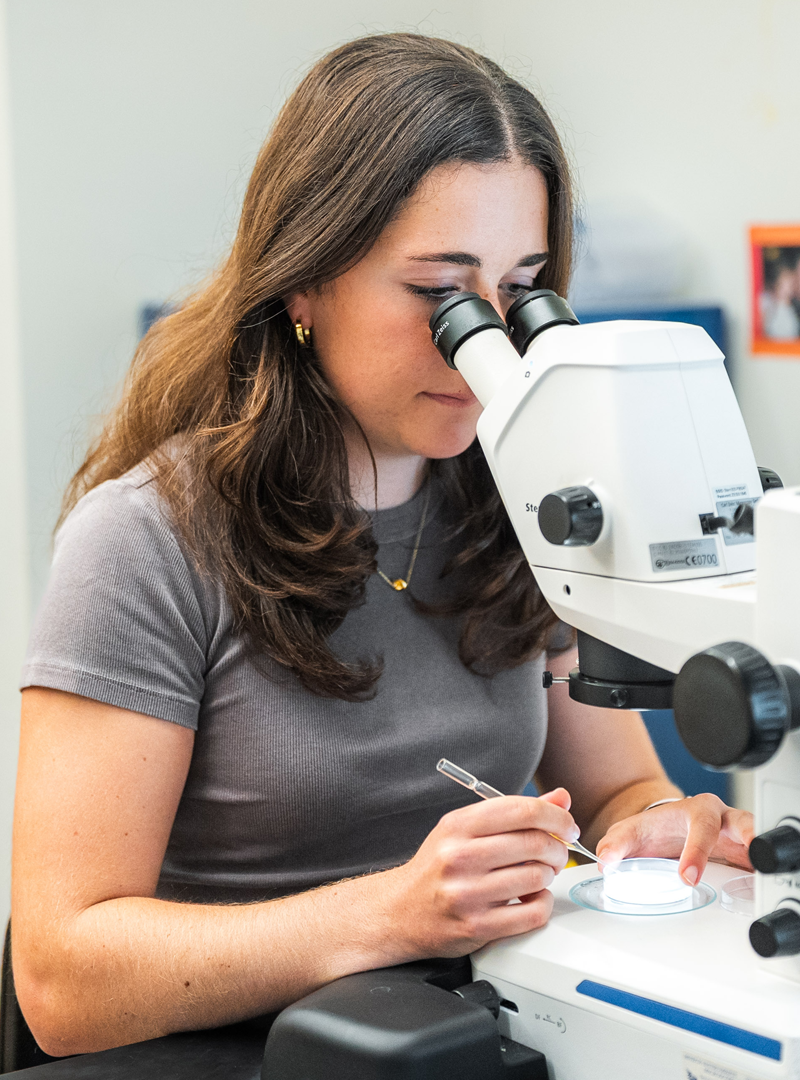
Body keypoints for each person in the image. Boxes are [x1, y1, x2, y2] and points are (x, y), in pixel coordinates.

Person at [12, 34, 753, 1056]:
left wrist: (655, 829)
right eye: (438, 295)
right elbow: (61, 979)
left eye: (519, 288)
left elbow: (618, 789)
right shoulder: (146, 539)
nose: (482, 341)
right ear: (304, 284)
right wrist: (394, 915)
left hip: (464, 1032)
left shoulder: (525, 500)